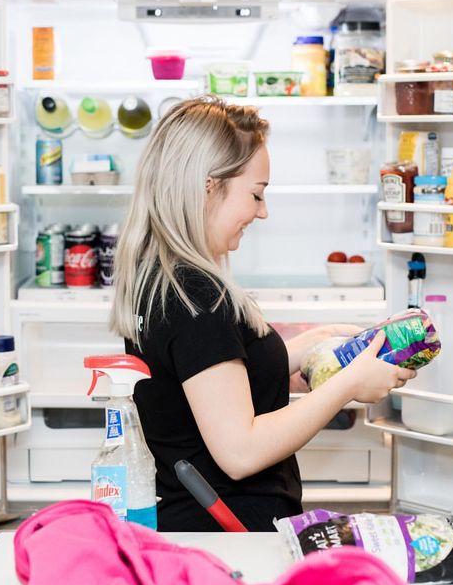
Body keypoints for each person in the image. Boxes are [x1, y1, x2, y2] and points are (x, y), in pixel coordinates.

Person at [109, 96, 416, 532]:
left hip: (198, 523)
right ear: (208, 186)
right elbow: (240, 452)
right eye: (255, 194)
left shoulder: (162, 278)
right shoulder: (196, 296)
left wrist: (304, 348)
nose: (262, 211)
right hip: (227, 533)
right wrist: (347, 385)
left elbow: (203, 379)